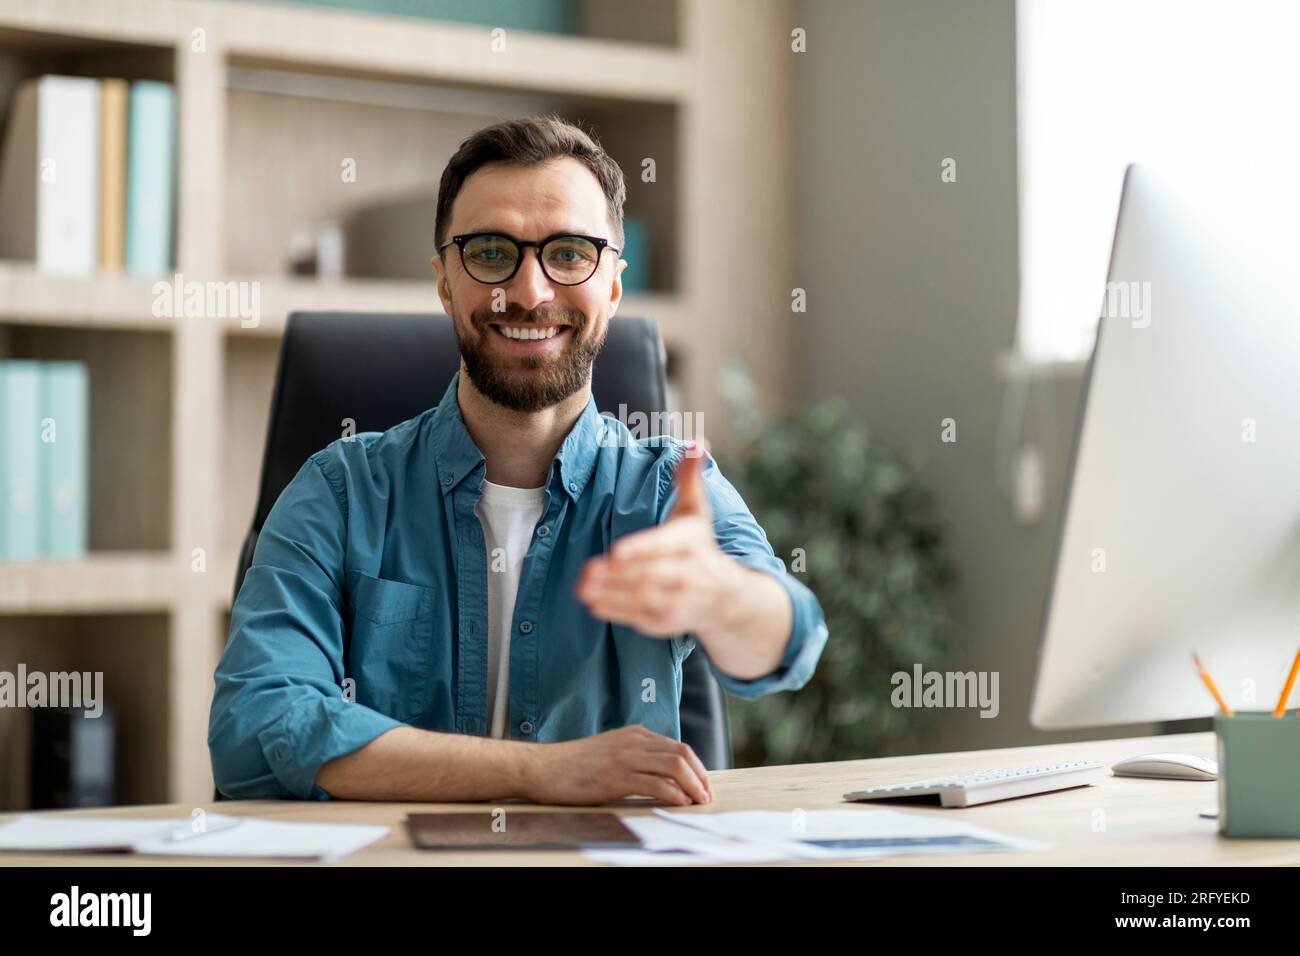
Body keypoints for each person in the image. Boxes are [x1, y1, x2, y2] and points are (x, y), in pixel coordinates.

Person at [208, 115, 828, 804]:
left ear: (614, 287)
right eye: (492, 252)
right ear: (445, 281)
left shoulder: (662, 490)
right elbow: (258, 728)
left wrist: (722, 597)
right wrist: (540, 771)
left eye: (568, 254)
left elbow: (791, 646)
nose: (530, 292)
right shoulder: (338, 492)